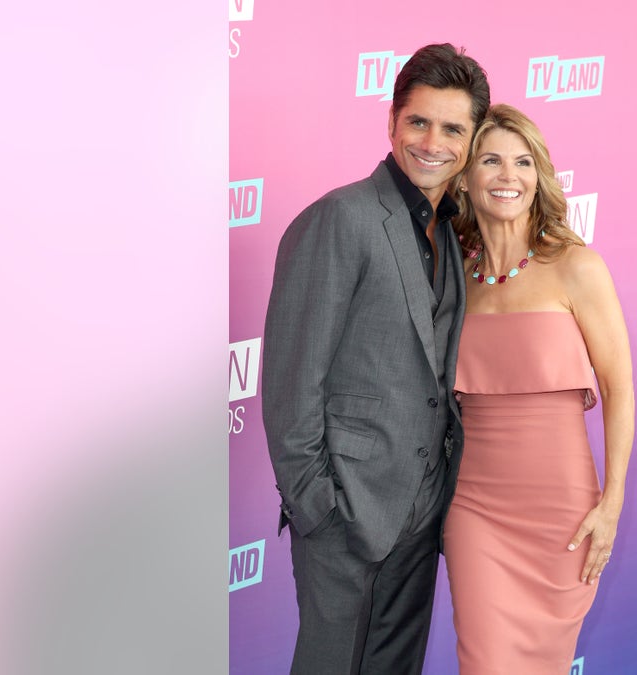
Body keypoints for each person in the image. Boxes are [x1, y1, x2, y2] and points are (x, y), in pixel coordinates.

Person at [260, 43, 490, 675]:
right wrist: (320, 511)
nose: (432, 142)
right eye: (419, 122)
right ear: (391, 122)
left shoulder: (449, 230)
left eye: (452, 128)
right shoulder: (341, 219)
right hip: (346, 516)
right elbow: (289, 384)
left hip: (422, 516)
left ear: (470, 142)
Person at [443, 104, 636, 674]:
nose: (509, 175)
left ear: (540, 176)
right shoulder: (454, 277)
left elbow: (619, 388)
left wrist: (613, 500)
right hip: (473, 507)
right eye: (492, 161)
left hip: (561, 511)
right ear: (467, 178)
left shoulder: (578, 267)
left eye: (523, 162)